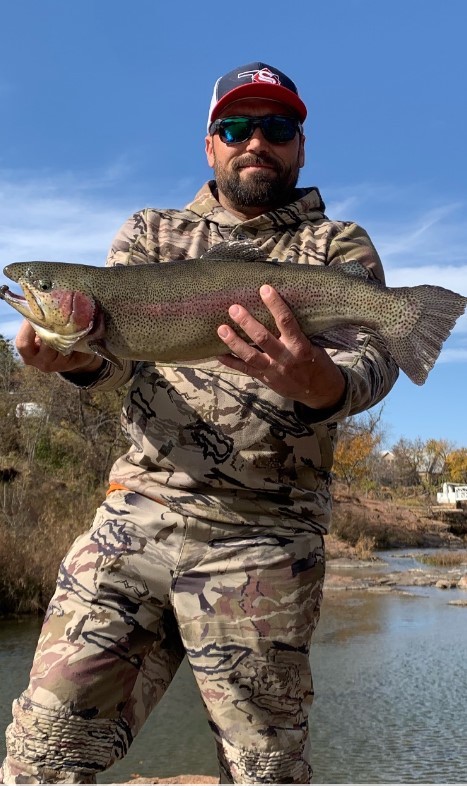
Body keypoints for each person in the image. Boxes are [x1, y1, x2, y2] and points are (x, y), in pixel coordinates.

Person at [1, 62, 399, 784]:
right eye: (236, 127)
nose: (256, 142)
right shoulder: (149, 234)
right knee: (41, 757)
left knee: (263, 773)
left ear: (299, 147)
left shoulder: (338, 246)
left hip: (268, 536)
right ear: (209, 144)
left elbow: (375, 360)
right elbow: (117, 368)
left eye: (276, 128)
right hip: (137, 516)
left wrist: (322, 382)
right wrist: (77, 361)